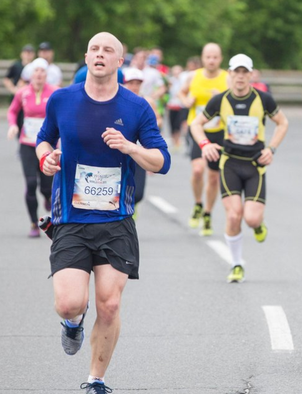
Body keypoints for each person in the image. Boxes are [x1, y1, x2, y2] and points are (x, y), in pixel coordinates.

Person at [36, 32, 170, 393]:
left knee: (109, 305)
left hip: (115, 222)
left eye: (108, 50)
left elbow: (162, 161)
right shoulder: (62, 100)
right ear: (86, 57)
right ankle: (73, 324)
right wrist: (45, 157)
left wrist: (129, 147)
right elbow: (44, 138)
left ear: (119, 61)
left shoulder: (136, 107)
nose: (100, 54)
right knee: (68, 303)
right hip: (71, 220)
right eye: (94, 49)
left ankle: (96, 380)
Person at [190, 54, 289, 283]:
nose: (241, 77)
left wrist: (271, 149)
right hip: (230, 164)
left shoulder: (264, 99)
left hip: (255, 165)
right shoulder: (220, 100)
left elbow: (282, 122)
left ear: (251, 75)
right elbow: (196, 124)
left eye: (246, 72)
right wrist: (205, 145)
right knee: (234, 215)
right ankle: (236, 264)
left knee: (251, 219)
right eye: (237, 72)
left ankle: (257, 225)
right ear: (231, 74)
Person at [178, 43, 229, 236]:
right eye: (208, 57)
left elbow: (235, 100)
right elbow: (181, 92)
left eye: (215, 57)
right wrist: (186, 101)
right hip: (197, 129)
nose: (211, 60)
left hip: (219, 130)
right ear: (203, 58)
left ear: (220, 58)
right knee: (198, 170)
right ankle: (198, 203)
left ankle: (207, 214)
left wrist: (222, 98)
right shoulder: (194, 76)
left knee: (214, 177)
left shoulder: (227, 78)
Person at [6, 58, 57, 237]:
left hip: (47, 146)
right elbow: (12, 111)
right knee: (30, 183)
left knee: (46, 187)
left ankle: (47, 197)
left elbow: (62, 116)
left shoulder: (55, 93)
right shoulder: (22, 93)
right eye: (36, 71)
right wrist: (13, 125)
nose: (39, 75)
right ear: (30, 74)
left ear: (46, 74)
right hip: (27, 144)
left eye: (42, 71)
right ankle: (34, 224)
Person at [122, 67, 163, 214]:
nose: (134, 86)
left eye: (137, 83)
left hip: (139, 151)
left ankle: (132, 206)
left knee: (138, 193)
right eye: (130, 83)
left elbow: (158, 120)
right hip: (120, 151)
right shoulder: (118, 101)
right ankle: (125, 212)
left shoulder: (147, 102)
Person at [165, 65, 186, 151]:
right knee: (172, 124)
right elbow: (168, 93)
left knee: (178, 125)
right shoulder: (171, 81)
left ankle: (177, 141)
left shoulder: (183, 81)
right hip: (171, 105)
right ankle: (174, 142)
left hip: (180, 106)